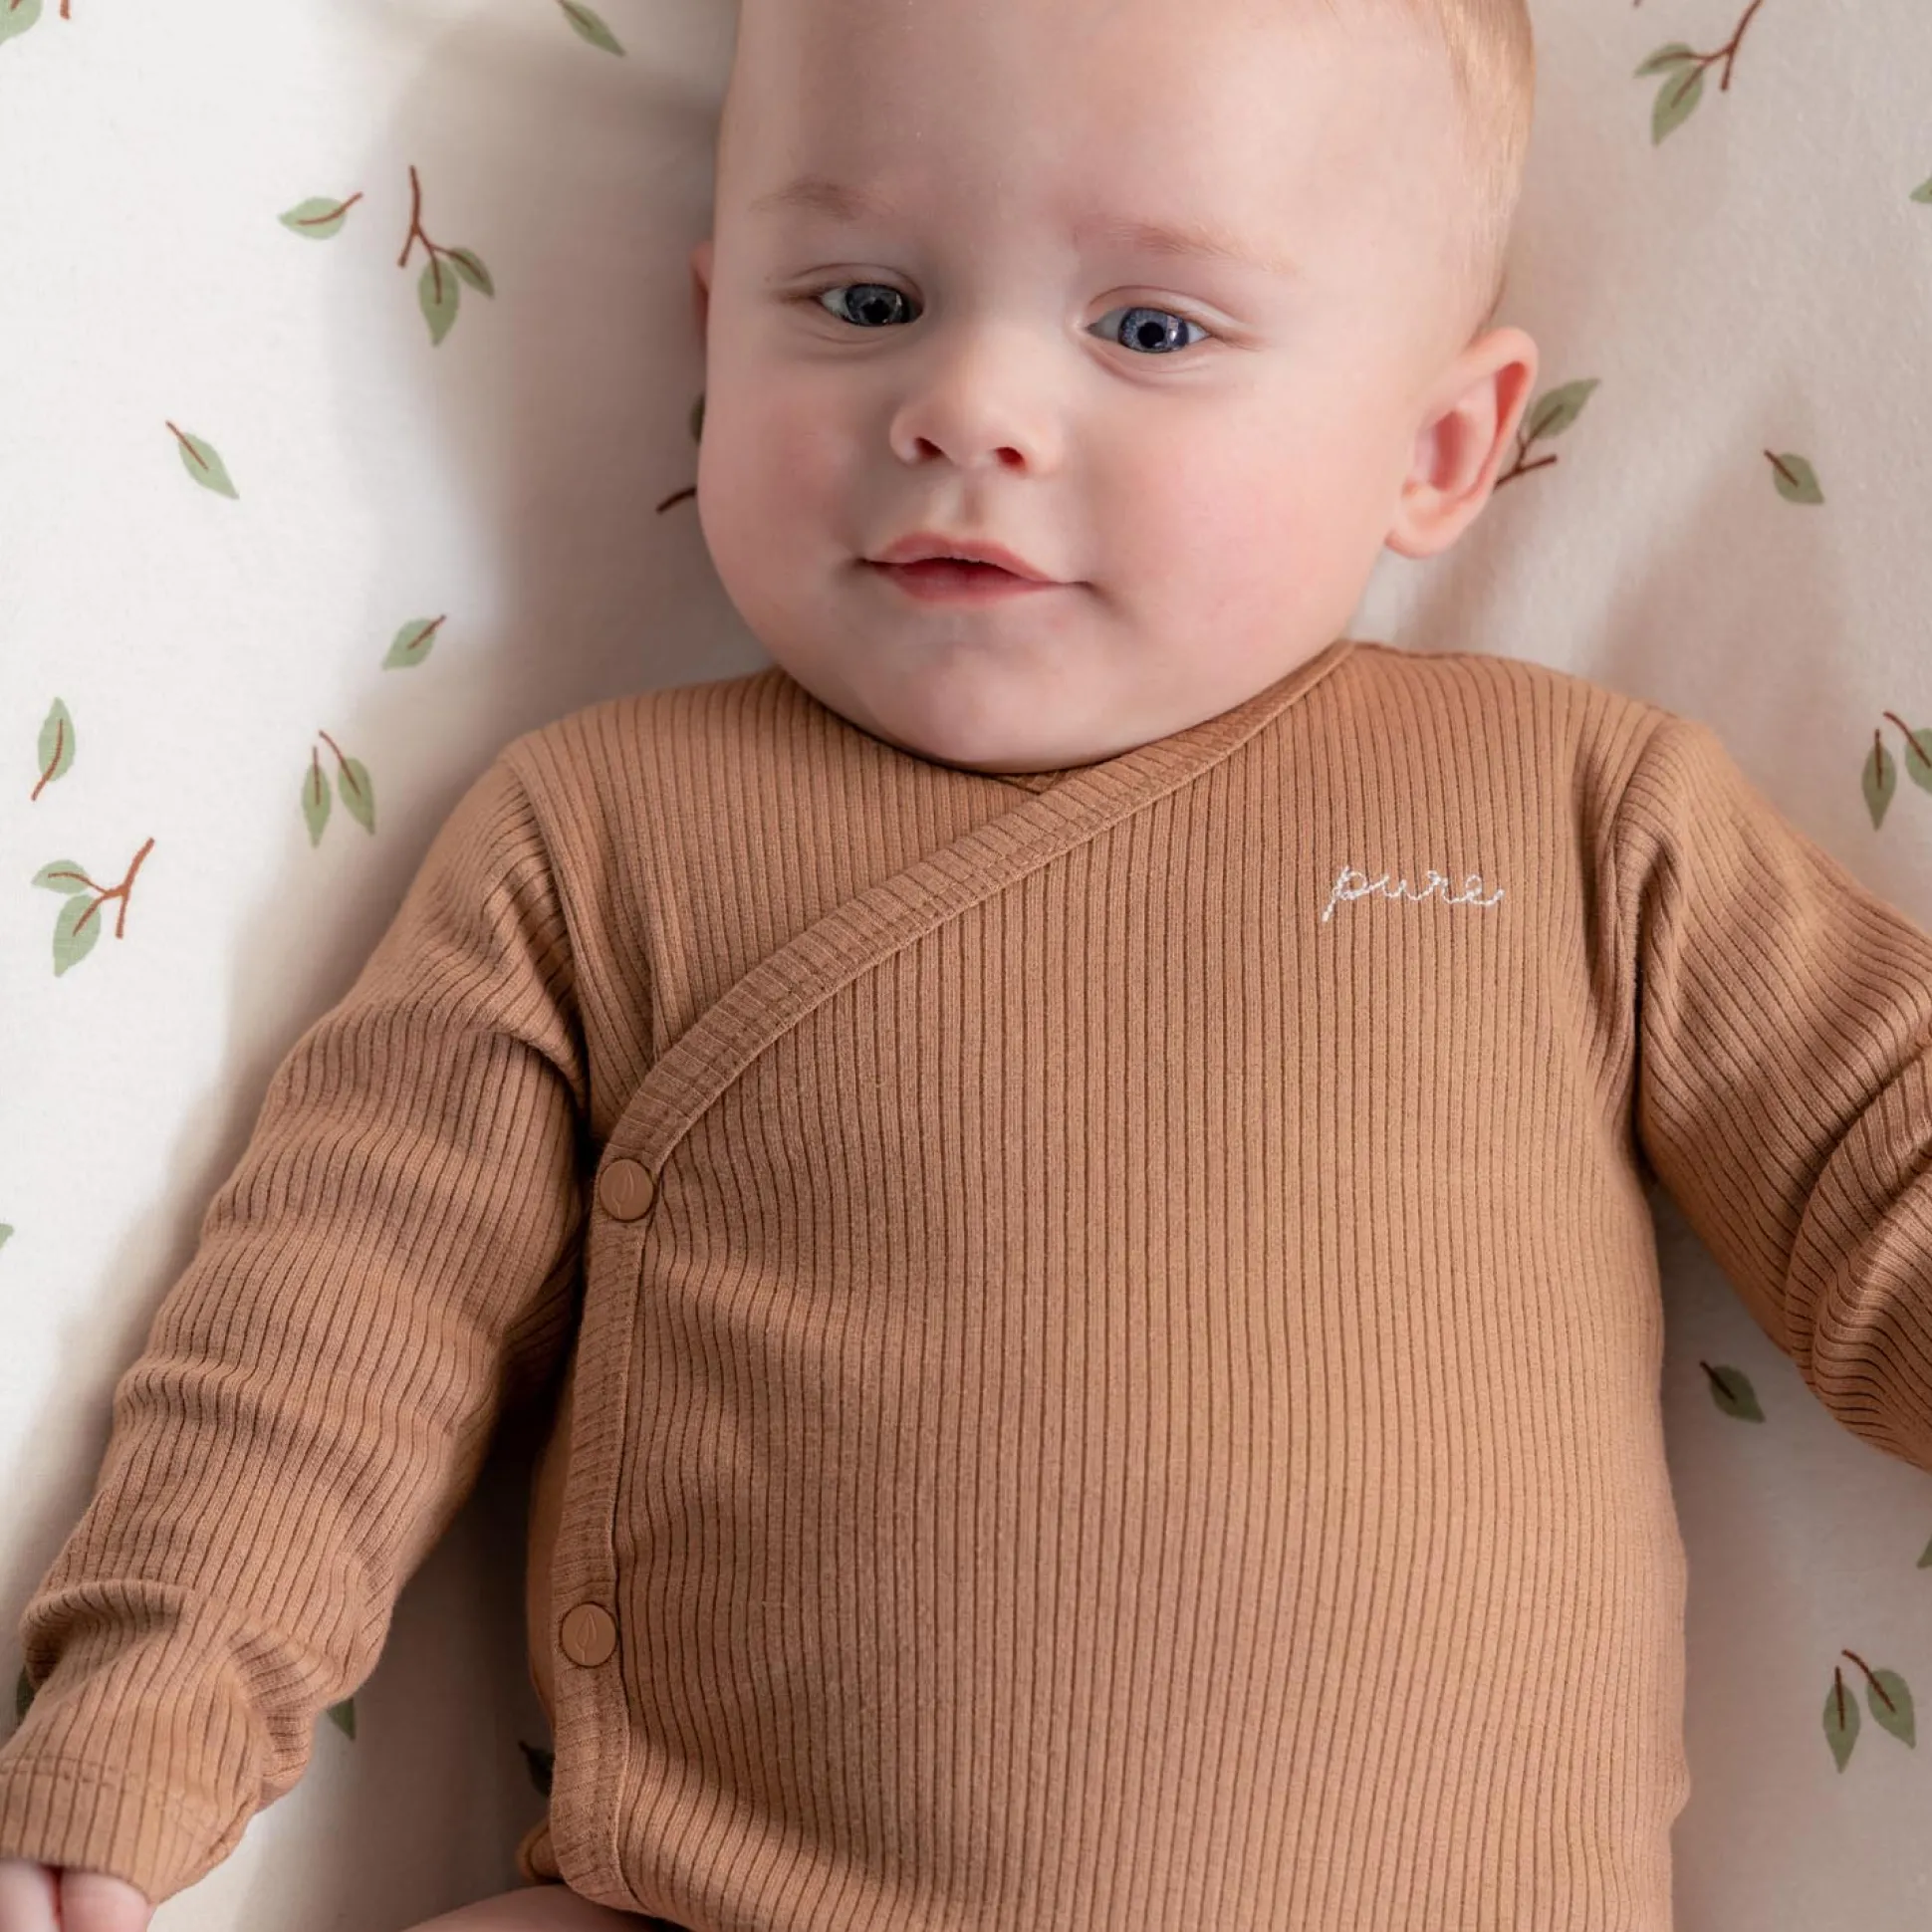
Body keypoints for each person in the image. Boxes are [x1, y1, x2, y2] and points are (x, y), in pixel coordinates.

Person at [9, 0, 1932, 1927]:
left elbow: (1885, 1164)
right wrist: (148, 1714)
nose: (967, 405)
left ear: (1436, 448)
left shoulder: (1570, 814)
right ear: (713, 341)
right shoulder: (599, 836)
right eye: (864, 302)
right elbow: (338, 1325)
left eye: (1152, 329)